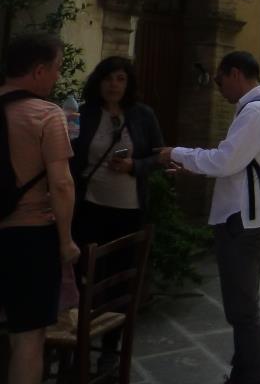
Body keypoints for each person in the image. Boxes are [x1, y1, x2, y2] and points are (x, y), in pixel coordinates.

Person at [157, 51, 260, 384]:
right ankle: (245, 372)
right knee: (241, 306)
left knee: (242, 309)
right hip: (246, 215)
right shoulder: (256, 109)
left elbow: (226, 161)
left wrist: (177, 153)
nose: (218, 87)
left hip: (244, 220)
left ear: (235, 74)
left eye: (219, 79)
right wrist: (194, 168)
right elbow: (238, 165)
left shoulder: (257, 112)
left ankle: (257, 377)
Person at [71, 56, 164, 368]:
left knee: (120, 281)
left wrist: (133, 166)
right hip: (89, 209)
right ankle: (78, 341)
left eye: (120, 79)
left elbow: (158, 157)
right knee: (85, 276)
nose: (114, 84)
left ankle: (111, 348)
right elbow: (70, 159)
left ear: (129, 84)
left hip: (128, 211)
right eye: (109, 78)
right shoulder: (84, 115)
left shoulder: (142, 116)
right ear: (99, 82)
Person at [0, 32, 79, 384]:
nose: (58, 77)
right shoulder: (47, 115)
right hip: (29, 240)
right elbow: (61, 184)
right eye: (57, 69)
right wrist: (65, 241)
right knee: (28, 338)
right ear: (39, 71)